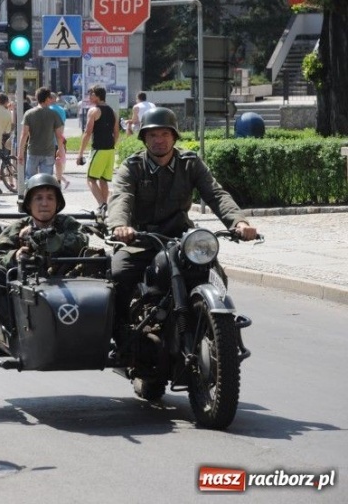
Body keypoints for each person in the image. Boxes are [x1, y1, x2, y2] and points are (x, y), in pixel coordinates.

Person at [105, 107, 258, 338]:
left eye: (165, 134)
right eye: (153, 135)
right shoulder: (133, 167)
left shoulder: (190, 163)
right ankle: (119, 333)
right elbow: (121, 197)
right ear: (144, 138)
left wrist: (238, 223)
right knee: (119, 273)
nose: (159, 140)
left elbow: (215, 194)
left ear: (174, 137)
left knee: (216, 273)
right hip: (141, 240)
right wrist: (120, 226)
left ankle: (220, 328)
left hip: (181, 240)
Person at [0, 174, 88, 334]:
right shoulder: (18, 228)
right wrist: (15, 256)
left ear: (57, 203)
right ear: (29, 204)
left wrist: (45, 237)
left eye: (50, 198)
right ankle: (14, 331)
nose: (44, 203)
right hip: (25, 294)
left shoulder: (67, 224)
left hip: (65, 287)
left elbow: (81, 239)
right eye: (38, 198)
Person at [76, 85, 118, 213]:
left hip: (98, 149)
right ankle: (105, 209)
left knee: (90, 179)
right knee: (104, 180)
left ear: (97, 96)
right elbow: (116, 133)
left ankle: (102, 204)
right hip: (110, 150)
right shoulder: (113, 111)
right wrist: (111, 145)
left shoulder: (93, 111)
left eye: (91, 94)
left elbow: (88, 133)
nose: (89, 97)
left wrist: (80, 154)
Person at [17, 87, 64, 180]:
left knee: (30, 179)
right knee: (46, 180)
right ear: (47, 99)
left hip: (33, 151)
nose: (51, 100)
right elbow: (59, 136)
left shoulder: (29, 113)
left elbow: (24, 134)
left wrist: (20, 153)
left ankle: (31, 194)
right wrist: (60, 150)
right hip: (48, 152)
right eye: (50, 98)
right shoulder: (54, 114)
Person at [48, 95, 70, 188]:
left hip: (49, 140)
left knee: (48, 163)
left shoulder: (48, 109)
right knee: (58, 161)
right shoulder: (61, 110)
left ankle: (50, 182)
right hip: (60, 139)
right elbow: (63, 124)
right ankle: (59, 180)